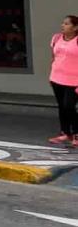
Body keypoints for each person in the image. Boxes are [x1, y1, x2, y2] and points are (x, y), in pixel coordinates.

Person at [48, 15, 78, 148]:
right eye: (63, 23)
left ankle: (76, 133)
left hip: (74, 81)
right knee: (62, 106)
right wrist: (52, 74)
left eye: (66, 24)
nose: (63, 26)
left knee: (69, 106)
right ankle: (65, 132)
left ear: (75, 27)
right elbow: (54, 57)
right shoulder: (56, 38)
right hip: (56, 78)